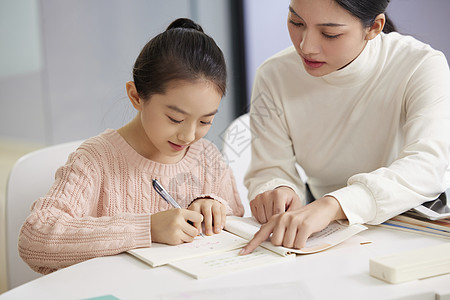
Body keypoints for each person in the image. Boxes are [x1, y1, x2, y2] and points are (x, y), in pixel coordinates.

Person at [19, 18, 244, 274]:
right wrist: (146, 228)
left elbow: (237, 225)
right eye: (175, 119)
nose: (189, 136)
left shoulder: (206, 156)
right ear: (136, 96)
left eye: (206, 121)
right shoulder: (95, 159)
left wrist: (215, 207)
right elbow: (35, 236)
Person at [240, 0, 450, 255]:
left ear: (374, 27)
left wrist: (335, 204)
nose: (306, 46)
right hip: (329, 233)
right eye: (296, 23)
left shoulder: (420, 65)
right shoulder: (274, 75)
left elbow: (427, 165)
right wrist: (276, 188)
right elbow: (269, 167)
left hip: (416, 226)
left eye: (330, 34)